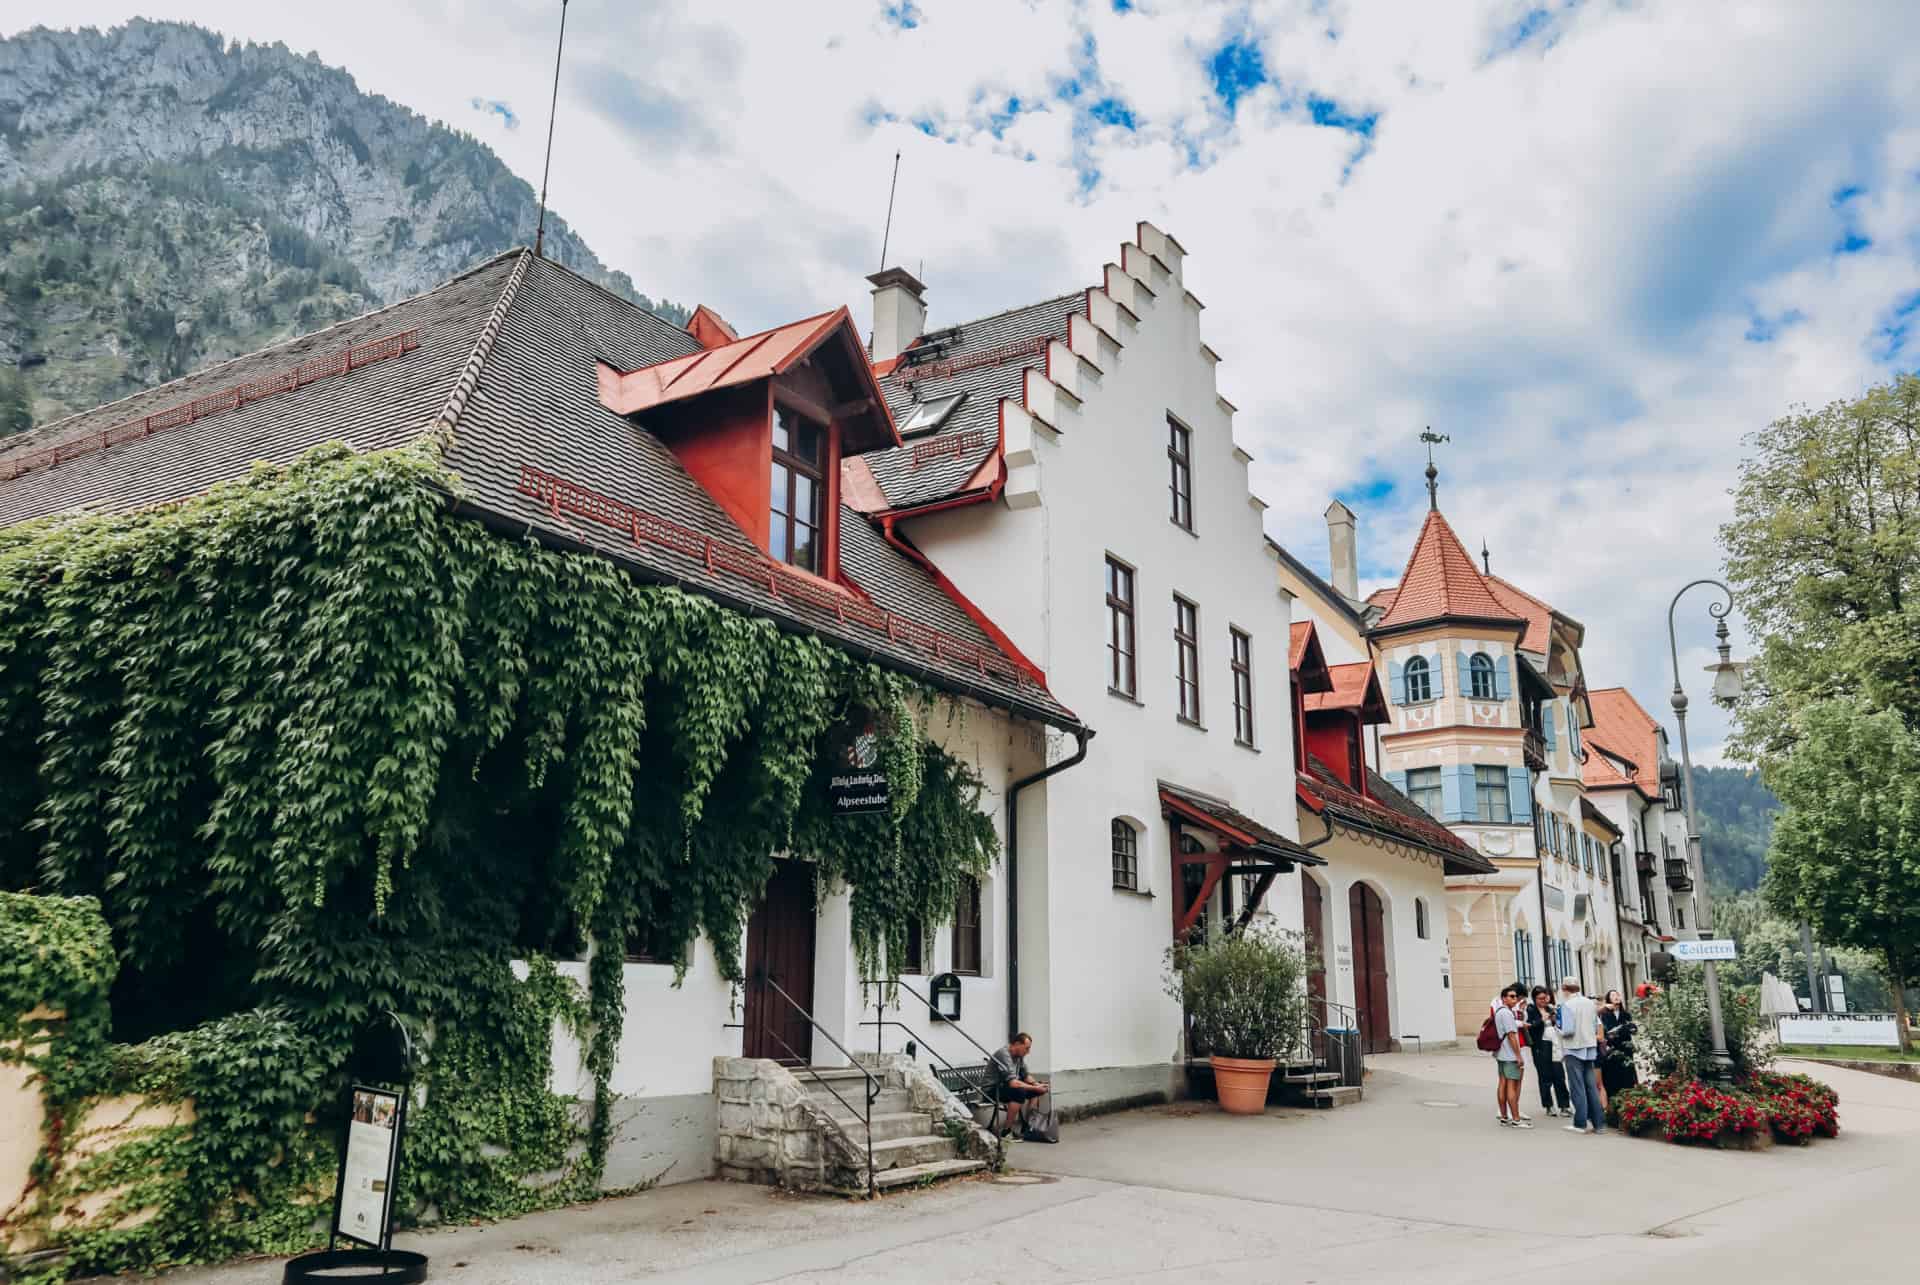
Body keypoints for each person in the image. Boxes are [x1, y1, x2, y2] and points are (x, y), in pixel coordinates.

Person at [1556, 977, 1605, 1134]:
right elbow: (1596, 1024)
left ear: (1564, 988)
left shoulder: (1565, 1005)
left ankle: (1580, 1123)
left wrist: (1557, 1028)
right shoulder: (1590, 1003)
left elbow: (1566, 1030)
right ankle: (1599, 1124)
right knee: (1591, 1087)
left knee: (1577, 1087)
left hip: (1573, 1048)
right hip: (1589, 1047)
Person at [987, 1032, 1049, 1136]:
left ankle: (1028, 1126)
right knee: (1019, 1092)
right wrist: (1035, 1087)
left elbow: (1025, 1075)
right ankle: (1006, 1131)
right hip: (991, 1089)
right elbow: (1013, 1083)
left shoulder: (1019, 1056)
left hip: (1005, 1087)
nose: (1028, 1052)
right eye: (1026, 1048)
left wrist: (1037, 1085)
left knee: (1035, 1092)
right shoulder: (1003, 1054)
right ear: (1017, 1044)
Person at [1524, 986, 1570, 1116]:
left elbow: (1560, 1025)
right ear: (1535, 999)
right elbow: (1530, 1027)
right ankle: (1549, 1106)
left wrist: (1555, 1019)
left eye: (1545, 998)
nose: (1543, 1000)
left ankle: (1564, 1106)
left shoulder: (1550, 1009)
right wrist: (1541, 1020)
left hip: (1555, 1045)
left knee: (1559, 1076)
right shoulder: (1531, 1010)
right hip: (1541, 1046)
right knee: (1545, 1077)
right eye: (1540, 998)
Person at [1492, 986, 1531, 1128]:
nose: (1515, 999)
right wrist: (1518, 1056)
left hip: (1501, 1054)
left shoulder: (1499, 1011)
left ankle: (1504, 1117)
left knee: (1502, 1084)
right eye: (1511, 996)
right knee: (1511, 1086)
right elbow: (1511, 1036)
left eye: (1515, 997)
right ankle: (1516, 1119)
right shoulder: (1507, 1014)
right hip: (1509, 1055)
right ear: (1504, 998)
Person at [1599, 989, 1639, 1096]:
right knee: (1613, 1075)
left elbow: (1632, 1029)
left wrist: (1624, 1029)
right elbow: (1606, 1032)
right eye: (1613, 995)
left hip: (1625, 1048)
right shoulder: (1604, 1015)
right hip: (1612, 1049)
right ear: (1608, 999)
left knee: (1627, 1074)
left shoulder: (1626, 1014)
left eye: (1617, 994)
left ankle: (1629, 1096)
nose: (1616, 996)